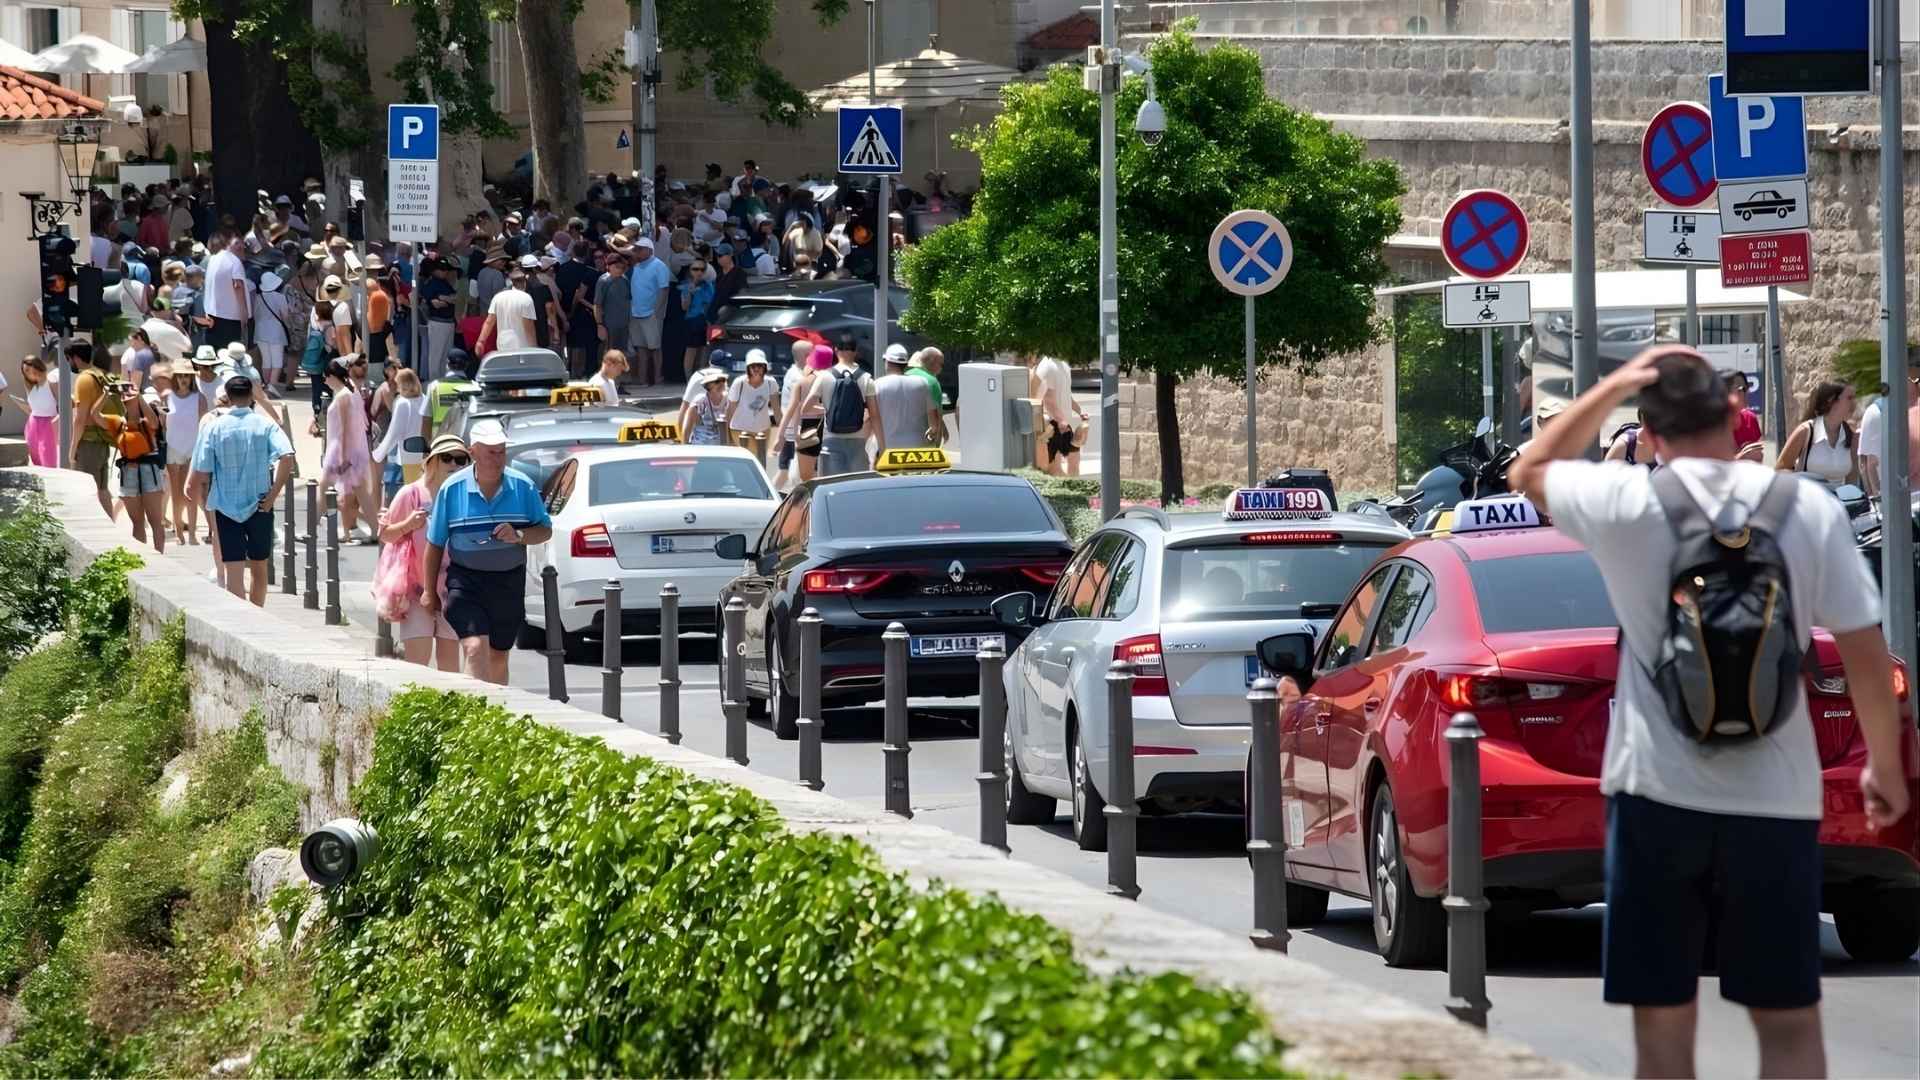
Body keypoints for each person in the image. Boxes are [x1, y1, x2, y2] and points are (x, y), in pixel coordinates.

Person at [1507, 346, 1908, 1079]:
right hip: (1777, 802)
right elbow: (1862, 648)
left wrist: (1609, 389)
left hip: (1655, 795)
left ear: (1650, 436)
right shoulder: (1805, 507)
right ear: (1734, 415)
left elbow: (1526, 472)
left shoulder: (1627, 503)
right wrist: (1883, 764)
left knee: (1664, 1028)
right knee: (1787, 1025)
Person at [420, 419, 554, 685]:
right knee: (474, 647)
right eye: (491, 451)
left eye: (501, 451)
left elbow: (545, 530)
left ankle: (496, 715)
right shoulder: (452, 489)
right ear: (473, 453)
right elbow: (435, 543)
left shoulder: (523, 486)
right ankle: (475, 713)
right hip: (465, 581)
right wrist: (428, 591)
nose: (498, 458)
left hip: (507, 581)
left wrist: (518, 535)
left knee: (498, 655)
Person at [188, 376, 295, 606]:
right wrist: (273, 494)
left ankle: (242, 618)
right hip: (260, 505)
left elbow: (202, 469)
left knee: (233, 570)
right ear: (251, 395)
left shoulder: (214, 427)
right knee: (259, 567)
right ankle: (258, 613)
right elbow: (287, 457)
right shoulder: (266, 425)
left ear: (228, 394)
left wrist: (193, 489)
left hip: (226, 506)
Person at [374, 432, 467, 672]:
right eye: (447, 458)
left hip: (453, 591)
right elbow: (385, 534)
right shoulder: (411, 493)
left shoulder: (465, 496)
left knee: (450, 670)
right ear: (432, 461)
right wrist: (407, 524)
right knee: (418, 667)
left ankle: (449, 710)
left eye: (461, 460)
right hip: (416, 591)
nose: (454, 465)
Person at [801, 334, 876, 477]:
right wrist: (883, 446)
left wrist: (826, 410)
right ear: (856, 352)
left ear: (836, 351)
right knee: (856, 487)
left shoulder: (824, 376)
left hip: (831, 439)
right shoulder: (866, 379)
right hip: (858, 441)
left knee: (832, 487)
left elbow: (806, 408)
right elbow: (875, 415)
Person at [321, 358, 373, 543]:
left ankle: (314, 527)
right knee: (353, 493)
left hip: (341, 449)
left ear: (333, 376)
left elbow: (344, 427)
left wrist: (343, 456)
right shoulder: (351, 391)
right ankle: (359, 529)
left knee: (325, 488)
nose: (324, 380)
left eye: (325, 376)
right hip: (349, 449)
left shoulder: (344, 394)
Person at [67, 342, 119, 517]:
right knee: (103, 490)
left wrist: (73, 449)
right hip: (103, 441)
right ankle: (110, 530)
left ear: (75, 358)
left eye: (69, 360)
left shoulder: (84, 379)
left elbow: (80, 419)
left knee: (87, 491)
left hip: (88, 443)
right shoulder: (102, 375)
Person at [1775, 380, 1860, 486]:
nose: (1854, 403)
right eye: (1849, 398)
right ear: (1831, 400)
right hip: (1808, 500)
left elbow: (1851, 478)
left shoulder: (1851, 436)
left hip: (1838, 501)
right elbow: (1780, 470)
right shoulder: (1805, 431)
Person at [161, 364, 205, 544]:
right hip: (173, 447)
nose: (183, 379)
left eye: (186, 376)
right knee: (177, 493)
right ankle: (179, 532)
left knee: (191, 493)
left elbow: (204, 424)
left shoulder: (199, 398)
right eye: (180, 376)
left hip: (192, 448)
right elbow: (162, 423)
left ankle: (192, 533)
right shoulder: (167, 397)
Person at [373, 367, 429, 506]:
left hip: (408, 452)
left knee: (413, 492)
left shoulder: (402, 403)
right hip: (425, 452)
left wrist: (379, 453)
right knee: (423, 491)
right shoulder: (425, 398)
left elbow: (395, 432)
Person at [874, 344, 940, 452]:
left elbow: (870, 418)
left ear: (886, 362)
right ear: (905, 364)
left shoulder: (877, 385)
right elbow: (934, 422)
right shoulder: (922, 383)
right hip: (918, 447)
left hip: (889, 448)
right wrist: (932, 435)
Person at [627, 236, 673, 385]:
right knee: (641, 348)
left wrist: (657, 311)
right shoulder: (635, 267)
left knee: (655, 348)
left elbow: (664, 289)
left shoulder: (659, 266)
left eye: (640, 249)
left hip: (651, 314)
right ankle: (642, 380)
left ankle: (658, 378)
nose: (637, 252)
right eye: (636, 249)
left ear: (649, 250)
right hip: (636, 313)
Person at [1030, 353, 1084, 476]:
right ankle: (1062, 493)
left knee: (1074, 461)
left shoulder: (1063, 365)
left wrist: (1080, 411)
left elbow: (1066, 394)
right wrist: (1060, 421)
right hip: (1053, 425)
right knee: (1056, 468)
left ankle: (1074, 490)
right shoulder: (1047, 367)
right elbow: (1048, 400)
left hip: (1063, 424)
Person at [5, 355, 59, 467]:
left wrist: (56, 422)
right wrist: (20, 404)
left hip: (49, 423)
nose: (30, 372)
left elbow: (64, 404)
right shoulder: (31, 386)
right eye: (26, 371)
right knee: (36, 459)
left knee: (49, 460)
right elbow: (32, 410)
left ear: (38, 365)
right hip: (32, 424)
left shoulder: (51, 381)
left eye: (31, 368)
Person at [724, 350, 777, 463]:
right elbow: (730, 410)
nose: (756, 369)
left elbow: (777, 409)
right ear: (748, 368)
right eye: (753, 366)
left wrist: (782, 433)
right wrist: (727, 436)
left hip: (763, 429)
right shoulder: (739, 383)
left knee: (761, 460)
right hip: (740, 429)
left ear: (765, 367)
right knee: (752, 458)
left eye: (759, 365)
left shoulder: (771, 383)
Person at [203, 233, 250, 350]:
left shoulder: (213, 259)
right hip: (229, 320)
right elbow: (238, 287)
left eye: (242, 243)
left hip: (212, 316)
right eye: (237, 243)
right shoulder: (234, 262)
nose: (242, 246)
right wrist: (244, 319)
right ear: (228, 244)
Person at [254, 270, 297, 396]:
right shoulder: (280, 297)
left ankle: (266, 385)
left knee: (266, 360)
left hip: (260, 331)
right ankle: (272, 387)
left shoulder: (257, 297)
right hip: (276, 331)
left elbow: (255, 315)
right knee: (277, 361)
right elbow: (285, 316)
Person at [419, 257, 459, 381]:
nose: (445, 272)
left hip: (448, 322)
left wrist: (444, 298)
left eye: (446, 270)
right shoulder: (431, 283)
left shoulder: (445, 283)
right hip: (437, 322)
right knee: (436, 356)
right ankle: (434, 382)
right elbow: (436, 303)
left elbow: (455, 298)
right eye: (442, 270)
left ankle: (443, 381)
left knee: (446, 356)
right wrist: (446, 299)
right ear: (434, 270)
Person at [481, 268, 537, 355]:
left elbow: (489, 322)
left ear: (511, 282)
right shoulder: (526, 298)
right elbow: (528, 325)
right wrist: (534, 348)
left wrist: (481, 341)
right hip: (522, 346)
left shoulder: (498, 297)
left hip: (502, 343)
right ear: (525, 282)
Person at [592, 251, 633, 363]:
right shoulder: (603, 281)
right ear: (609, 266)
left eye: (621, 267)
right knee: (608, 352)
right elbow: (597, 304)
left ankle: (620, 378)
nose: (619, 270)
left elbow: (628, 300)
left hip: (624, 323)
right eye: (616, 267)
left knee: (622, 352)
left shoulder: (624, 280)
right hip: (609, 324)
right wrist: (599, 324)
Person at [678, 257, 713, 377]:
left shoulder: (708, 286)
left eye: (702, 269)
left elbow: (710, 304)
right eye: (695, 269)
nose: (699, 272)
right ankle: (689, 380)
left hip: (705, 321)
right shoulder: (686, 286)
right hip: (692, 320)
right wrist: (690, 292)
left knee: (703, 351)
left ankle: (701, 378)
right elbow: (684, 307)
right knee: (691, 351)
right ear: (690, 270)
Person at [907, 346, 948, 439]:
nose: (941, 368)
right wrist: (940, 435)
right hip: (924, 436)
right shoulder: (932, 381)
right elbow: (936, 413)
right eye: (941, 364)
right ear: (933, 362)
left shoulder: (906, 374)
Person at [685, 369, 731, 445]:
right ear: (708, 385)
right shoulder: (700, 401)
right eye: (717, 382)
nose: (721, 384)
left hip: (723, 446)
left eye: (723, 380)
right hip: (701, 445)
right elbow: (687, 429)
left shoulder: (729, 400)